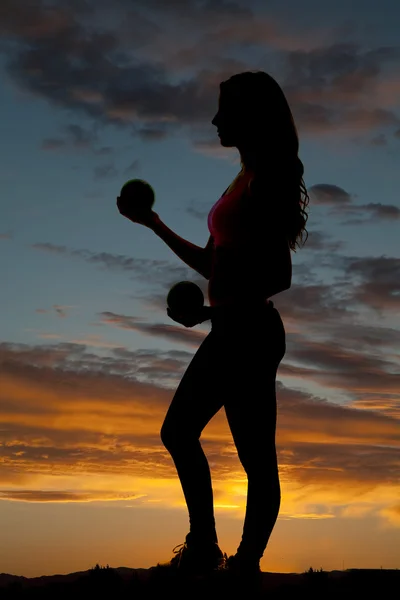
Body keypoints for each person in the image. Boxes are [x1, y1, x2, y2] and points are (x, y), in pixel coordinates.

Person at [117, 71, 309, 580]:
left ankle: (241, 564)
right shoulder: (242, 177)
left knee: (250, 457)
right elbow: (213, 266)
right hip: (230, 328)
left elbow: (278, 274)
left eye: (225, 109)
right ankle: (207, 548)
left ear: (250, 115)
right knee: (180, 432)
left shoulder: (268, 178)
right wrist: (154, 225)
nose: (215, 118)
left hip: (247, 333)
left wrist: (218, 311)